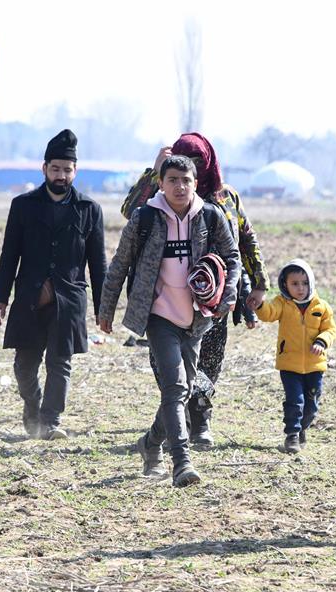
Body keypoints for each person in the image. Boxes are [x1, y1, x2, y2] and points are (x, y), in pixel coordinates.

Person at [99, 155, 240, 487]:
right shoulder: (145, 217)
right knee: (175, 387)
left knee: (184, 390)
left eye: (186, 180)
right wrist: (106, 310)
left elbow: (232, 256)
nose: (180, 186)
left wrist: (229, 293)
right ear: (161, 183)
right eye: (173, 180)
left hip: (196, 317)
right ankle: (181, 462)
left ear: (195, 183)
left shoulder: (209, 215)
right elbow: (120, 263)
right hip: (159, 315)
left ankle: (150, 444)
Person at [120, 132, 268, 447]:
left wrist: (259, 283)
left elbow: (245, 241)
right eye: (187, 162)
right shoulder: (161, 194)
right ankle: (176, 424)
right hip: (164, 300)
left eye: (199, 162)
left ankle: (199, 421)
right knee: (168, 368)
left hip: (211, 299)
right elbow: (129, 211)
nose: (192, 171)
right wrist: (154, 172)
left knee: (208, 364)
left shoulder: (226, 197)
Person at [0, 129, 107, 441]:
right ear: (44, 169)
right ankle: (33, 407)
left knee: (60, 363)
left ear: (75, 171)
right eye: (55, 169)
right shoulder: (23, 206)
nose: (61, 175)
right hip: (29, 297)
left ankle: (50, 422)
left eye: (67, 170)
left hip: (68, 301)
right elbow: (9, 254)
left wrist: (103, 308)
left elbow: (98, 264)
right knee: (24, 366)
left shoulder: (89, 210)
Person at [255, 260, 336, 453]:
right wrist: (258, 305)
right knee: (295, 401)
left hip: (315, 366)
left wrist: (321, 341)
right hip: (289, 365)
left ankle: (302, 428)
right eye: (295, 283)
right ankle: (291, 435)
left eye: (304, 283)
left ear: (311, 283)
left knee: (312, 405)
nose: (300, 288)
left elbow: (331, 329)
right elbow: (269, 313)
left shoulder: (321, 306)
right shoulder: (282, 303)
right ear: (285, 284)